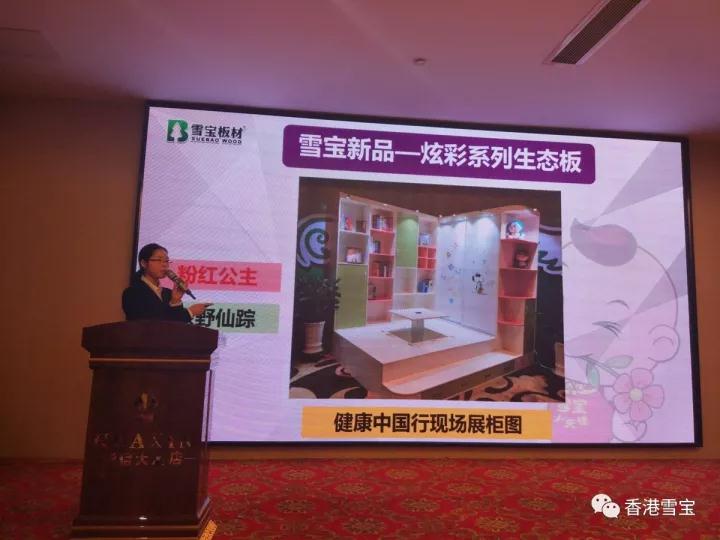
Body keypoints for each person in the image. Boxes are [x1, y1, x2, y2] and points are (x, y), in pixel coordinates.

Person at [122, 243, 211, 322]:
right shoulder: (132, 293)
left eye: (166, 261)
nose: (165, 264)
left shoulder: (168, 293)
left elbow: (177, 326)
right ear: (144, 263)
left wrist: (175, 301)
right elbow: (151, 323)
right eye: (159, 260)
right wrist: (190, 312)